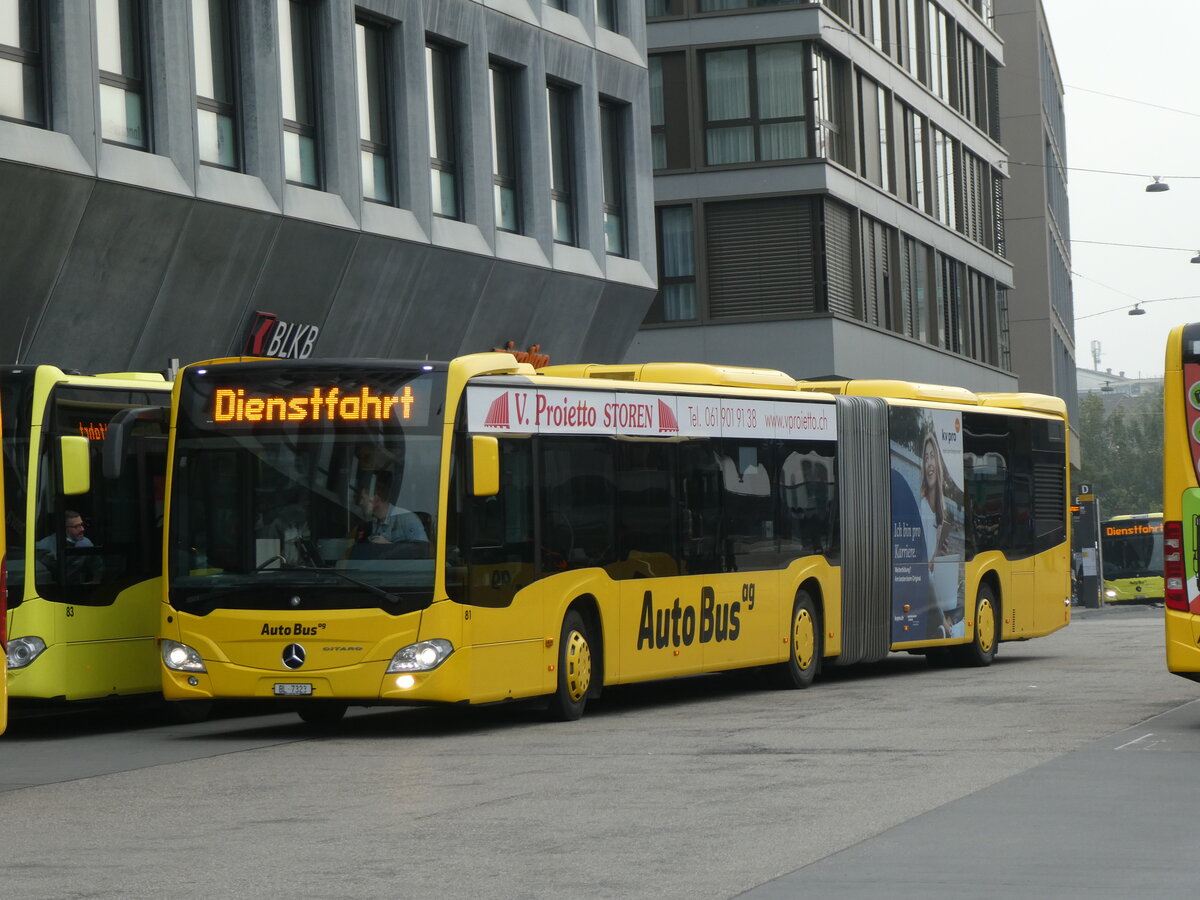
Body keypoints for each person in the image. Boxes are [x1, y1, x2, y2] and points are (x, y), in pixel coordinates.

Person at [357, 472, 427, 546]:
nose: (361, 503)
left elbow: (421, 549)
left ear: (376, 498)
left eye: (363, 498)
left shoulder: (407, 519)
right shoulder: (374, 522)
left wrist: (389, 545)